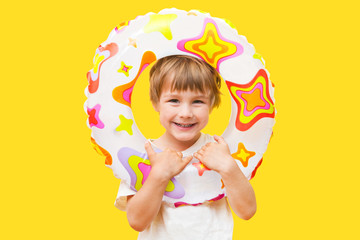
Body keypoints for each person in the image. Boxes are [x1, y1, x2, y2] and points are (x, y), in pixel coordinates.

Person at [115, 55, 256, 239]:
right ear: (156, 102)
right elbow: (136, 221)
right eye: (174, 100)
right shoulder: (141, 155)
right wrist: (159, 174)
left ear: (212, 104)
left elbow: (247, 211)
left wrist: (229, 167)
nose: (186, 113)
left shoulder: (219, 151)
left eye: (198, 102)